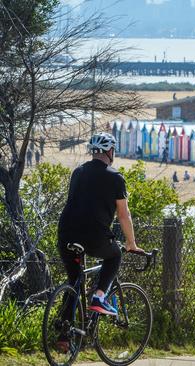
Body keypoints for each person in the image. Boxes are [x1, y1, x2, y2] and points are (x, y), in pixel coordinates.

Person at [57, 133, 144, 350]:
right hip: (94, 236)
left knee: (74, 282)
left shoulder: (78, 172)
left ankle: (63, 337)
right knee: (115, 254)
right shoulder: (116, 178)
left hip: (66, 234)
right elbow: (124, 215)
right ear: (110, 151)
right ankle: (99, 296)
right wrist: (131, 243)